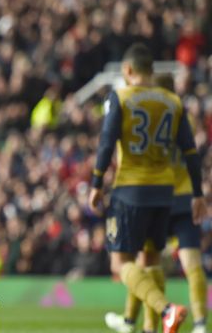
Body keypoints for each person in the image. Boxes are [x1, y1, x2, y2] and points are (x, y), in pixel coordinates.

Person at [88, 43, 207, 333]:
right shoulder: (172, 102)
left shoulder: (122, 96)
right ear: (151, 72)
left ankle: (166, 309)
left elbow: (106, 143)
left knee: (121, 263)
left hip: (131, 189)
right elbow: (191, 152)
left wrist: (96, 182)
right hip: (164, 192)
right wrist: (199, 194)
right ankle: (150, 328)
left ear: (128, 71)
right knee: (151, 258)